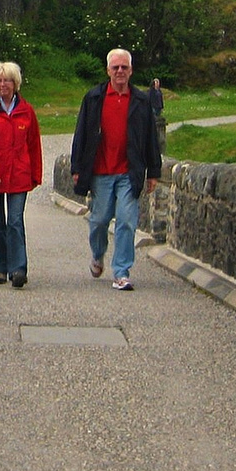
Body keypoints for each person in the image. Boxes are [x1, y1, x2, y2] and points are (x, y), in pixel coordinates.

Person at [70, 48, 162, 291]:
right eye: (115, 68)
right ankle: (97, 254)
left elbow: (151, 138)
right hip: (100, 171)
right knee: (99, 220)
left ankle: (121, 272)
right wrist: (77, 167)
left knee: (126, 221)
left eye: (124, 67)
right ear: (108, 70)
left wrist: (153, 171)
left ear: (131, 71)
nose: (120, 72)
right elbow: (81, 134)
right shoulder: (94, 98)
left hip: (128, 173)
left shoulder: (141, 101)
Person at [0, 62, 42, 288]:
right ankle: (0, 268)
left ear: (16, 83)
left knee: (15, 221)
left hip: (18, 175)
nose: (3, 85)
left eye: (8, 80)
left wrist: (35, 175)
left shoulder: (26, 111)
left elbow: (34, 145)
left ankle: (18, 268)